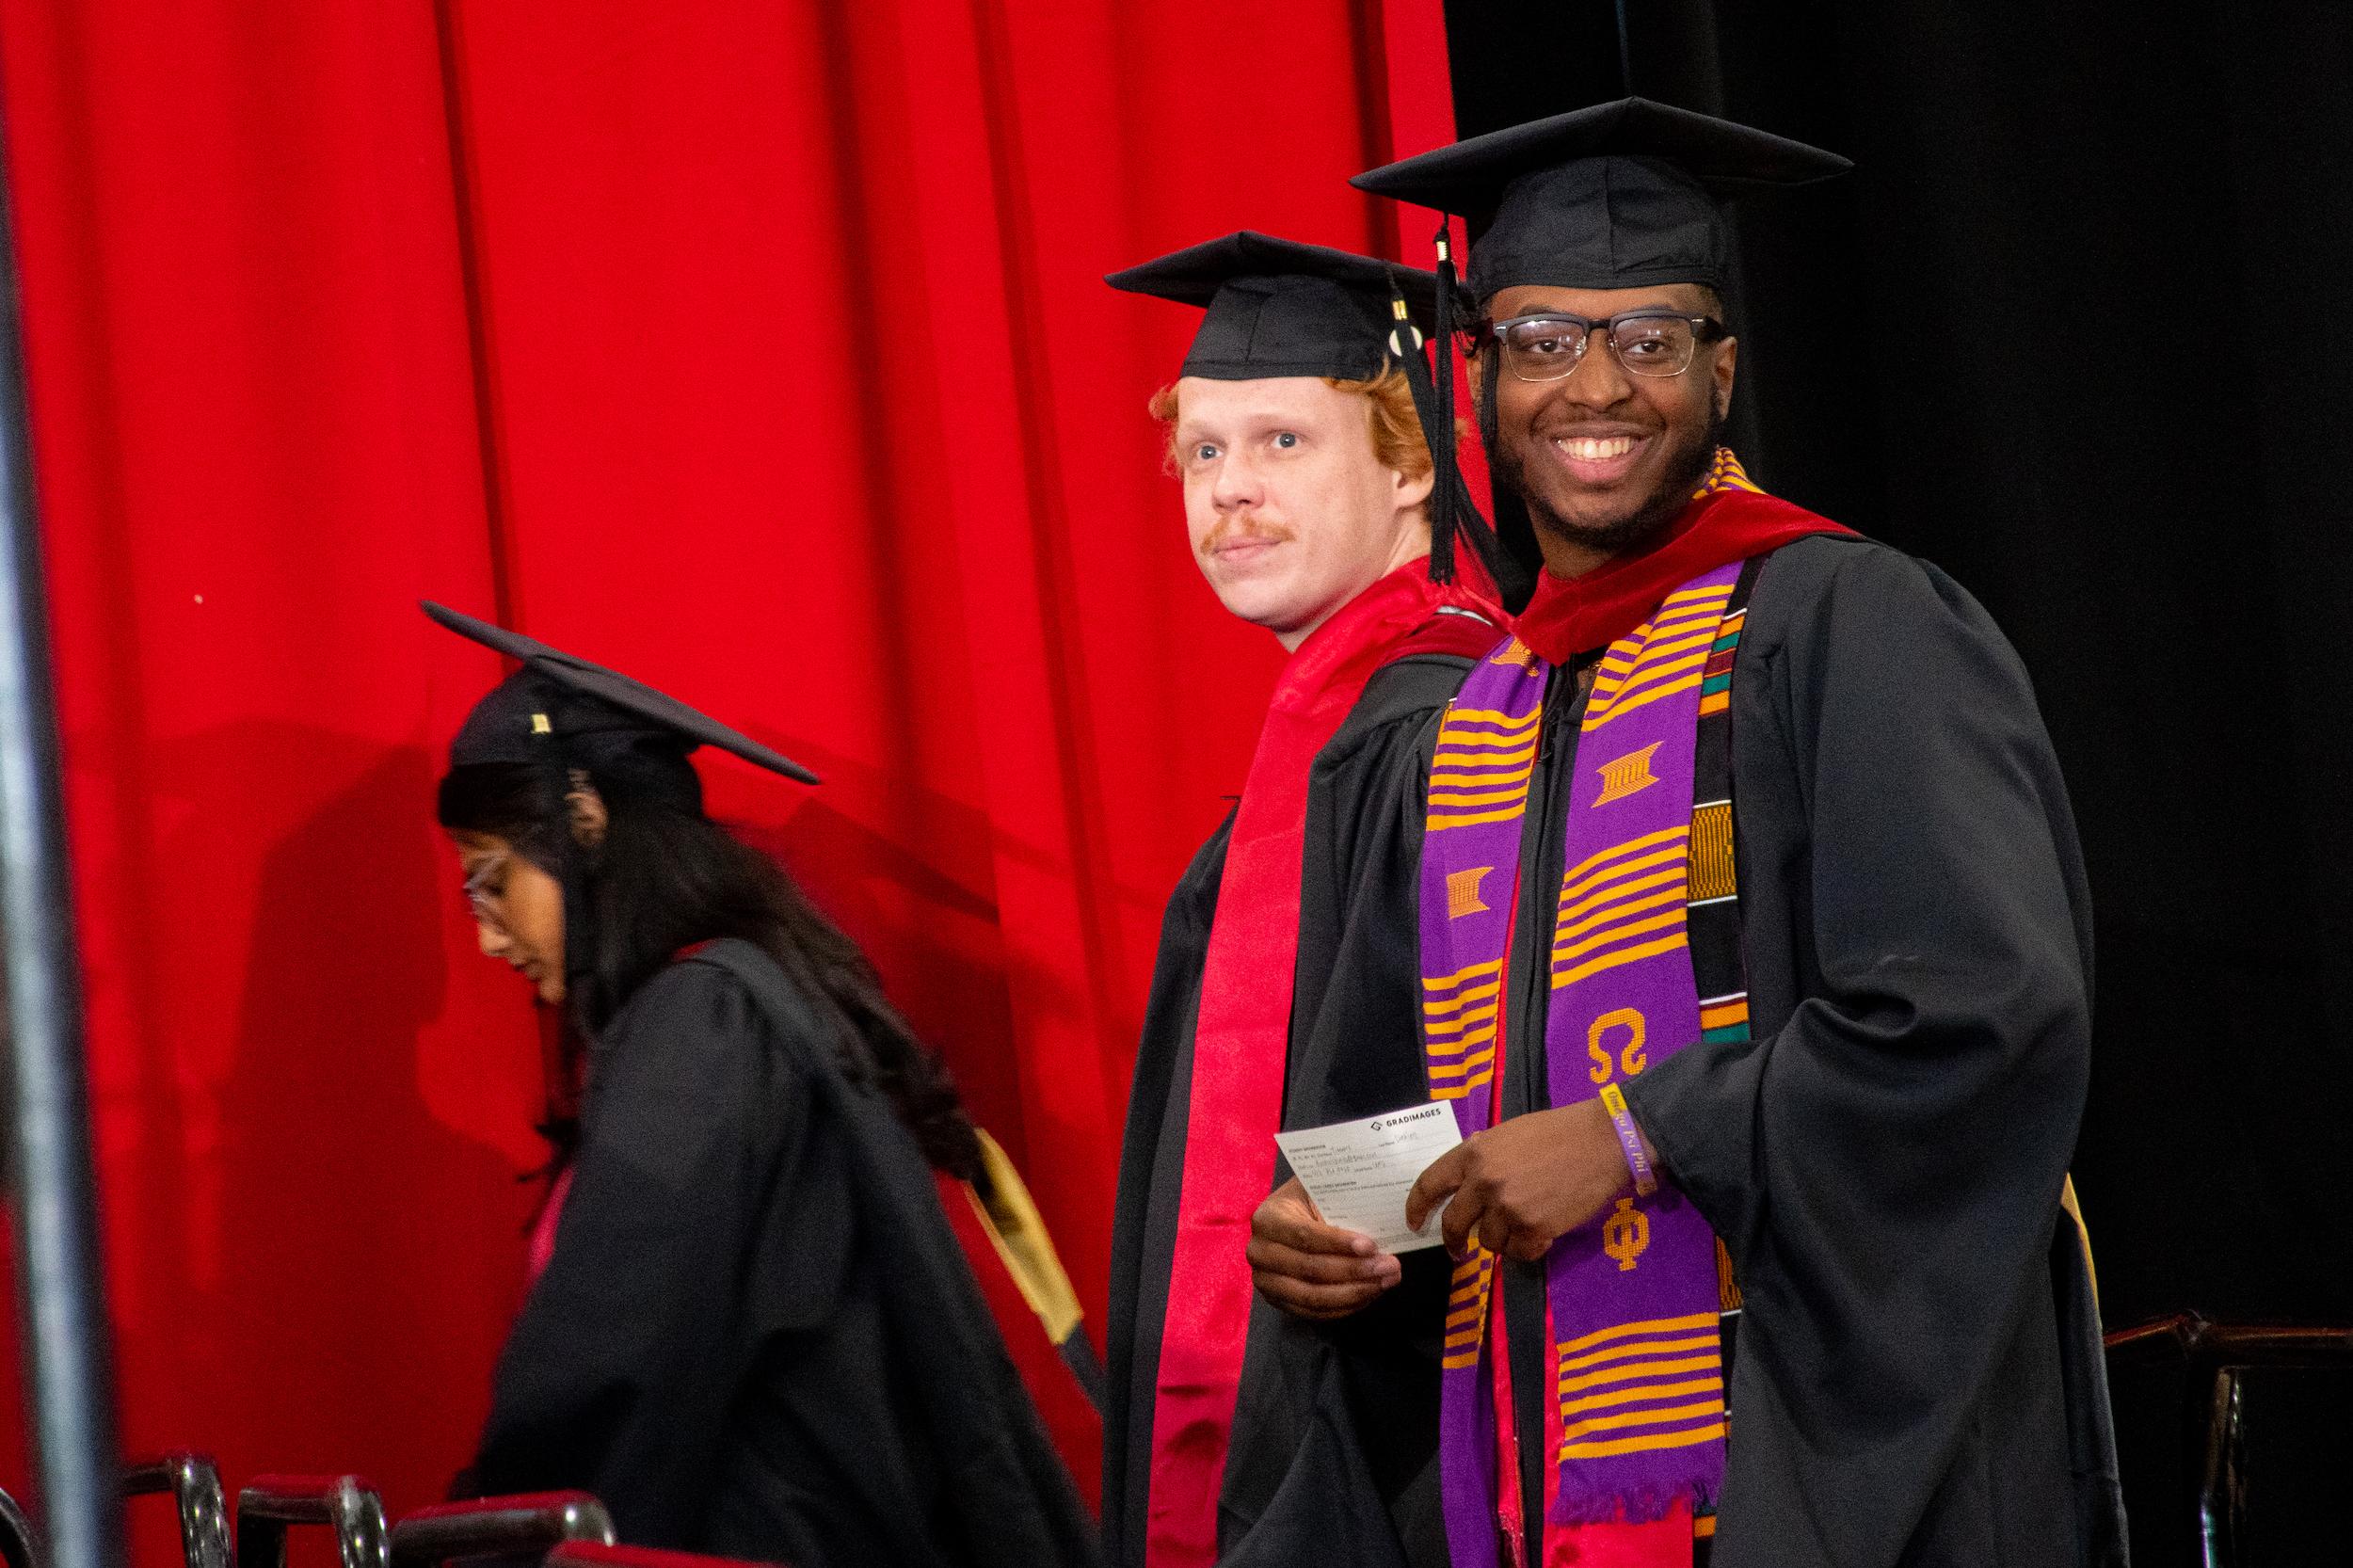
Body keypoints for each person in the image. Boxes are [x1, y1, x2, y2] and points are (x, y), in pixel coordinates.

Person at [1235, 99, 2128, 1567]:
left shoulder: (1853, 626)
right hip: (1520, 1486)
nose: (1597, 385)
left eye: (1649, 339)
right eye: (1541, 341)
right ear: (1480, 382)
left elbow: (1982, 1017)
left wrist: (1639, 1137)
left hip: (1805, 1478)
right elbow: (1389, 1119)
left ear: (1721, 370)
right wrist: (1329, 1237)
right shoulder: (1466, 724)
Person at [424, 602, 1102, 1568]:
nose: (489, 934)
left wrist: (491, 1534)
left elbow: (617, 1364)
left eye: (491, 882)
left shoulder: (702, 1025)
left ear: (584, 821)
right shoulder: (757, 994)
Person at [1096, 232, 1515, 1568]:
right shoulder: (1328, 741)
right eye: (1205, 454)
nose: (1230, 493)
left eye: (1282, 443)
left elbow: (1484, 1043)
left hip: (1411, 1405)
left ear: (1410, 466)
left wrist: (1357, 1218)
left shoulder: (1449, 714)